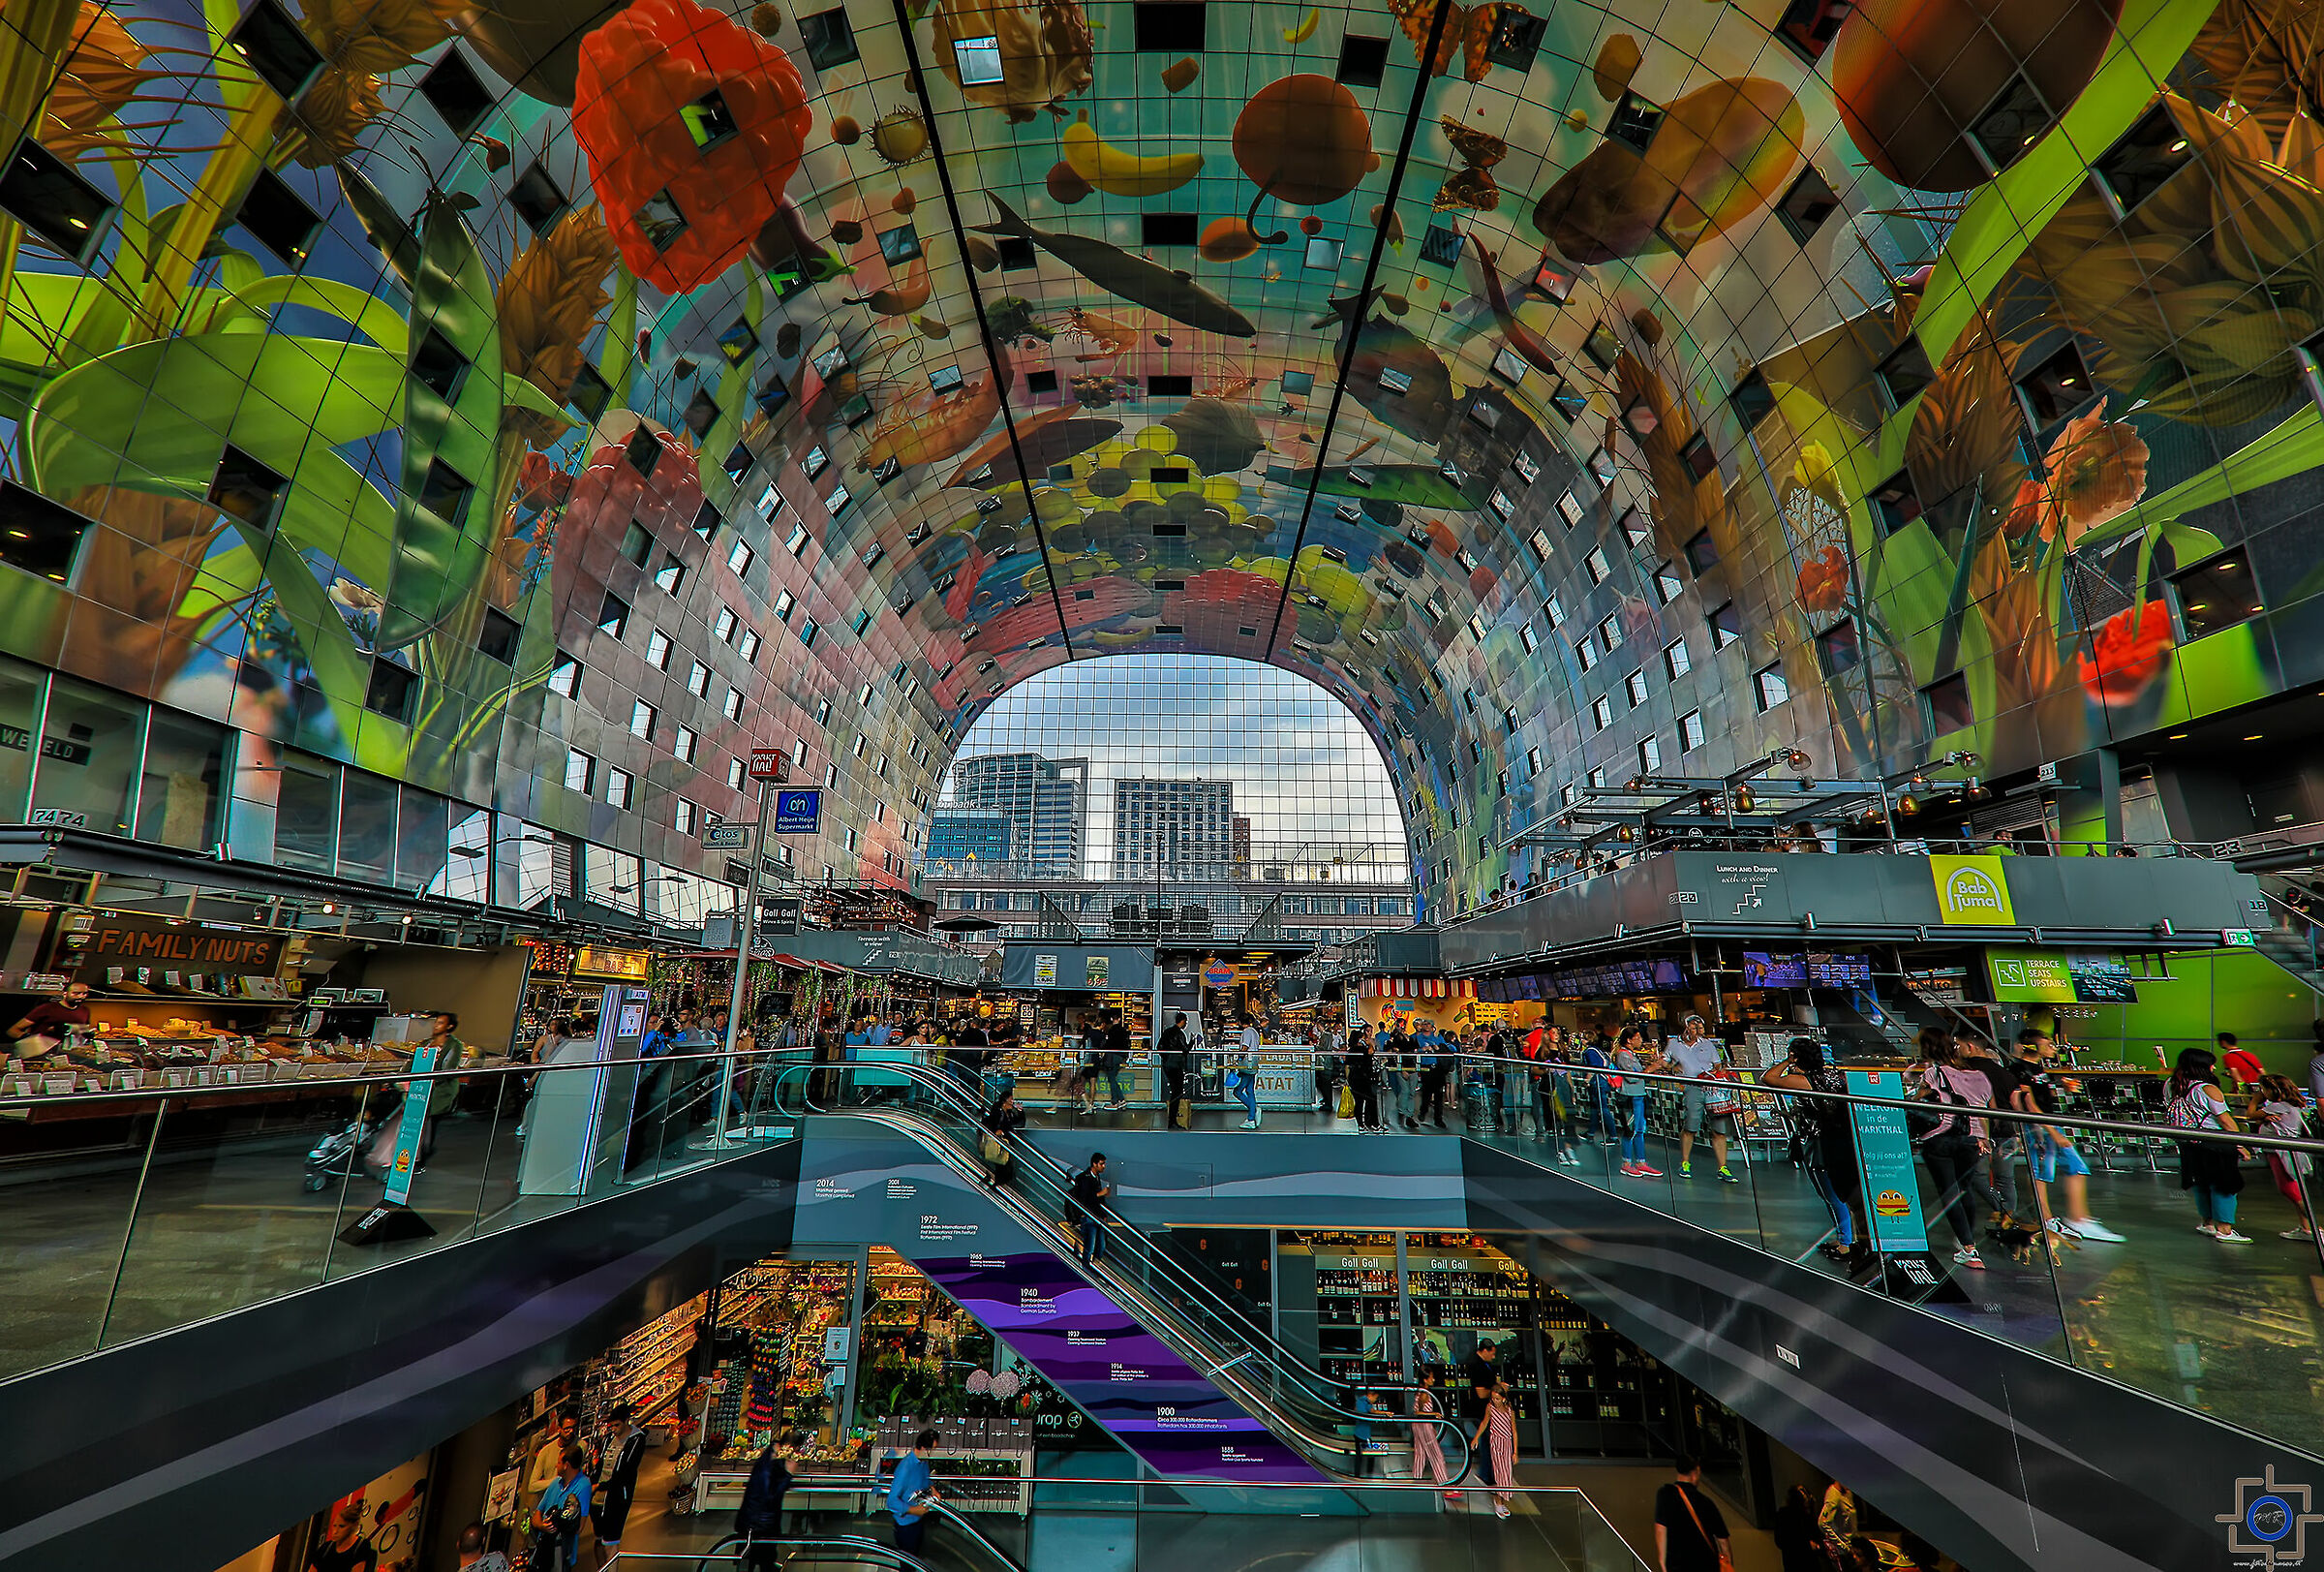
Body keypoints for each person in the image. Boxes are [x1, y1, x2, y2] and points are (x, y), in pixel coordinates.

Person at [2008, 1029, 2124, 1243]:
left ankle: (2076, 1218)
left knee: (2073, 1168)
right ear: (2031, 1046)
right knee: (2043, 1172)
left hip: (2049, 1124)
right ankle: (2053, 1219)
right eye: (2048, 1043)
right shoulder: (2019, 1069)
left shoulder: (2039, 1068)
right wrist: (2051, 1131)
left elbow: (2043, 1095)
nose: (2053, 1047)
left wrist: (2063, 1087)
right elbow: (2029, 1104)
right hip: (2038, 1128)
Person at [1765, 1037, 1869, 1272]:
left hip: (1819, 1142)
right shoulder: (1833, 1075)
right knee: (1839, 1191)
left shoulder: (1805, 1080)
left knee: (1831, 1193)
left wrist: (1786, 1061)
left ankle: (1846, 1242)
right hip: (1838, 1139)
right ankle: (1846, 1237)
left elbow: (1768, 1078)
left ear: (1796, 1056)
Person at [1913, 1027, 1995, 1270]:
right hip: (1971, 1139)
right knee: (1964, 1189)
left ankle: (1970, 1249)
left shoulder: (1933, 1073)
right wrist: (1984, 1139)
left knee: (1948, 1191)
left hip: (1939, 1137)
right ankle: (1966, 1242)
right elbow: (1986, 1111)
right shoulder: (1979, 1075)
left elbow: (1920, 1102)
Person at [2168, 1047, 2250, 1242]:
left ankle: (2208, 1223)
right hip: (2215, 1143)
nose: (2214, 1067)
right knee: (2224, 1185)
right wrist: (2241, 1145)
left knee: (2201, 1183)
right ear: (2201, 1067)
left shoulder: (2170, 1085)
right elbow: (2226, 1121)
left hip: (2189, 1142)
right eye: (2210, 1064)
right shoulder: (2207, 1089)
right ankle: (2225, 1229)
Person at [1665, 1016, 1738, 1183]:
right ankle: (1685, 1163)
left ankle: (1723, 1168)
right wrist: (1674, 1068)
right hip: (1692, 1088)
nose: (1696, 1030)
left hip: (1712, 1090)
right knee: (1690, 1126)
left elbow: (1717, 1064)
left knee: (1719, 1130)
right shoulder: (1675, 1044)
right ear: (1685, 1028)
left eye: (1699, 1027)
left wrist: (1715, 1074)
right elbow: (1665, 1062)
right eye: (1693, 1027)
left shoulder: (1707, 1044)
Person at [2249, 1074, 2317, 1239]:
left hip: (2281, 1153)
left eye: (2263, 1089)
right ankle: (2306, 1228)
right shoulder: (2287, 1106)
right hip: (2287, 1152)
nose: (2262, 1092)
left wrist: (2254, 1100)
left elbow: (2251, 1114)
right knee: (2296, 1190)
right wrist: (2265, 1118)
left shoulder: (2279, 1106)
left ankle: (2316, 1228)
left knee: (2289, 1190)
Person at [1653, 1455, 1731, 1572]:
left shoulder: (1665, 1494)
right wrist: (1728, 1565)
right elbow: (1723, 1541)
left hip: (1678, 1565)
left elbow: (1660, 1529)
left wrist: (1662, 1561)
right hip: (1707, 1565)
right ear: (1695, 1472)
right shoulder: (1707, 1503)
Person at [736, 1432, 796, 1571]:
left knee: (751, 1559)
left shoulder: (767, 1458)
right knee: (761, 1560)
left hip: (752, 1521)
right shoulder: (767, 1469)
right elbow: (771, 1496)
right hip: (761, 1524)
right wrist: (788, 1475)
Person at [593, 1402, 645, 1560]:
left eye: (617, 1425)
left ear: (626, 1421)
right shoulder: (608, 1439)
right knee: (599, 1539)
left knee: (611, 1542)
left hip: (617, 1497)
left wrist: (601, 1486)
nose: (613, 1429)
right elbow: (601, 1463)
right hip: (598, 1497)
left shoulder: (636, 1440)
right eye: (611, 1426)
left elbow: (626, 1471)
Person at [530, 1444, 593, 1572]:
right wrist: (541, 1525)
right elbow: (538, 1512)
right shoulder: (555, 1483)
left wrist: (557, 1525)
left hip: (560, 1555)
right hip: (542, 1551)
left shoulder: (584, 1486)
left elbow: (579, 1527)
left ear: (566, 1465)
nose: (555, 1466)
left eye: (558, 1462)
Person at [413, 1011, 465, 1164]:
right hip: (420, 1088)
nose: (436, 1025)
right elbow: (413, 1062)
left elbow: (448, 1069)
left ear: (449, 1026)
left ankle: (422, 1155)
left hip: (440, 1091)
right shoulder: (426, 1043)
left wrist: (433, 1080)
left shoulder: (454, 1046)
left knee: (430, 1121)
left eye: (441, 1023)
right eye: (436, 1022)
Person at [1612, 1025, 1660, 1178]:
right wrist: (1649, 1069)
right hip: (1629, 1097)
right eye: (1637, 1038)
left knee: (1639, 1130)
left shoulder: (1631, 1054)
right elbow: (1631, 1077)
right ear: (1629, 1040)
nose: (1640, 1040)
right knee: (1630, 1131)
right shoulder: (1623, 1055)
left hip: (1639, 1096)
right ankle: (1626, 1164)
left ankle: (1641, 1162)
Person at [885, 1428, 941, 1555]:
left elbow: (925, 1480)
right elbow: (892, 1501)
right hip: (905, 1526)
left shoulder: (923, 1463)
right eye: (930, 1450)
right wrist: (915, 1510)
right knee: (908, 1562)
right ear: (922, 1447)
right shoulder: (905, 1468)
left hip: (918, 1520)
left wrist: (933, 1490)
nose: (932, 1453)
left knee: (916, 1557)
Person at [1468, 1379, 1518, 1519]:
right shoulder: (1490, 1408)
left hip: (1507, 1444)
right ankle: (1498, 1501)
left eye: (1497, 1398)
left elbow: (1514, 1431)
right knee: (1499, 1473)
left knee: (1507, 1474)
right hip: (1496, 1444)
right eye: (1493, 1398)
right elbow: (1484, 1423)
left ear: (1503, 1398)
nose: (1494, 1401)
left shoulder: (1510, 1411)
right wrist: (1476, 1437)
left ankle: (1501, 1501)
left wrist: (1515, 1451)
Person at [6, 979, 90, 1056]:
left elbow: (83, 1032)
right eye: (76, 993)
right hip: (40, 1053)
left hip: (68, 1054)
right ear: (65, 994)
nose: (80, 996)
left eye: (84, 993)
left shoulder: (85, 1011)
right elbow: (12, 1030)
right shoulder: (47, 1008)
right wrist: (28, 1039)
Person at [1410, 1367, 1455, 1499]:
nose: (1433, 1379)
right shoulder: (1424, 1394)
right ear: (1425, 1379)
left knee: (1420, 1454)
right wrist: (1433, 1414)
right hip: (1424, 1426)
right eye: (1431, 1377)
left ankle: (1416, 1482)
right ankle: (1444, 1485)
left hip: (1418, 1426)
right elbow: (1418, 1412)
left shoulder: (1420, 1392)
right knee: (1436, 1455)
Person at [305, 1500, 377, 1572]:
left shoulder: (361, 1547)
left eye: (341, 1526)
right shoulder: (326, 1548)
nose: (335, 1531)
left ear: (354, 1525)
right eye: (334, 1526)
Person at [1772, 1484, 1829, 1572]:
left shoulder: (1808, 1515)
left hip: (1811, 1562)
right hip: (1795, 1562)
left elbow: (1817, 1534)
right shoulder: (1785, 1516)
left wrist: (1819, 1546)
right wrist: (1806, 1545)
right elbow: (1781, 1541)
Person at [1070, 1151, 1112, 1265]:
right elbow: (1083, 1198)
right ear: (1094, 1164)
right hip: (1089, 1217)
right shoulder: (1083, 1178)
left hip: (1097, 1216)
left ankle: (1094, 1268)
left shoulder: (1096, 1177)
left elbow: (1098, 1200)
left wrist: (1104, 1215)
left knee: (1101, 1246)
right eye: (1101, 1164)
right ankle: (1087, 1269)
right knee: (1090, 1246)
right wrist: (1100, 1194)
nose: (1104, 1167)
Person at [980, 1089, 1026, 1187]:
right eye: (1011, 1100)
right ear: (1004, 1102)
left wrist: (1020, 1111)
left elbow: (1019, 1123)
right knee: (1003, 1166)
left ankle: (1000, 1185)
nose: (1012, 1102)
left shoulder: (1009, 1113)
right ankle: (998, 1185)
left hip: (1005, 1145)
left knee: (1006, 1166)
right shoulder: (997, 1112)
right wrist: (996, 1131)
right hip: (998, 1145)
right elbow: (990, 1123)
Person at [1158, 1012, 1192, 1128]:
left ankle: (1171, 1120)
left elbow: (1159, 1047)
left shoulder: (1167, 1032)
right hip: (1177, 1066)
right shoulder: (1180, 1034)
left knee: (1174, 1092)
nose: (1186, 1024)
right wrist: (1192, 1041)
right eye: (1186, 1021)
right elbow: (1185, 1049)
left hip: (1167, 1065)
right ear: (1182, 1021)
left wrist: (1166, 1058)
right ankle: (1172, 1120)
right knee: (1177, 1093)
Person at [1416, 1025, 1451, 1129]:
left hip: (1438, 1069)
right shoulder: (1418, 1037)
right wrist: (1422, 1049)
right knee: (1426, 1092)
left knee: (1438, 1094)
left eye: (1428, 1025)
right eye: (1424, 1024)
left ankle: (1438, 1119)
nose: (1426, 1027)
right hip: (1427, 1068)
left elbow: (1444, 1049)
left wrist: (1438, 1048)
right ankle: (1423, 1111)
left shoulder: (1438, 1038)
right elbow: (1414, 1049)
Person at [1349, 1029, 1382, 1132]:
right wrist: (1371, 1044)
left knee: (1360, 1102)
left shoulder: (1351, 1050)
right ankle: (1372, 1124)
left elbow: (1347, 1066)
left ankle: (1362, 1124)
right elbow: (1371, 1052)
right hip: (1362, 1078)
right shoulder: (1362, 1049)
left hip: (1356, 1078)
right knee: (1369, 1100)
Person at [1233, 1016, 1263, 1128]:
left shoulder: (1246, 1032)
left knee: (1237, 1091)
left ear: (1240, 1022)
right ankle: (1252, 1114)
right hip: (1254, 1062)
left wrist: (1239, 1059)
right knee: (1250, 1090)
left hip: (1247, 1063)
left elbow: (1245, 1047)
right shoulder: (1254, 1031)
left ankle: (1252, 1112)